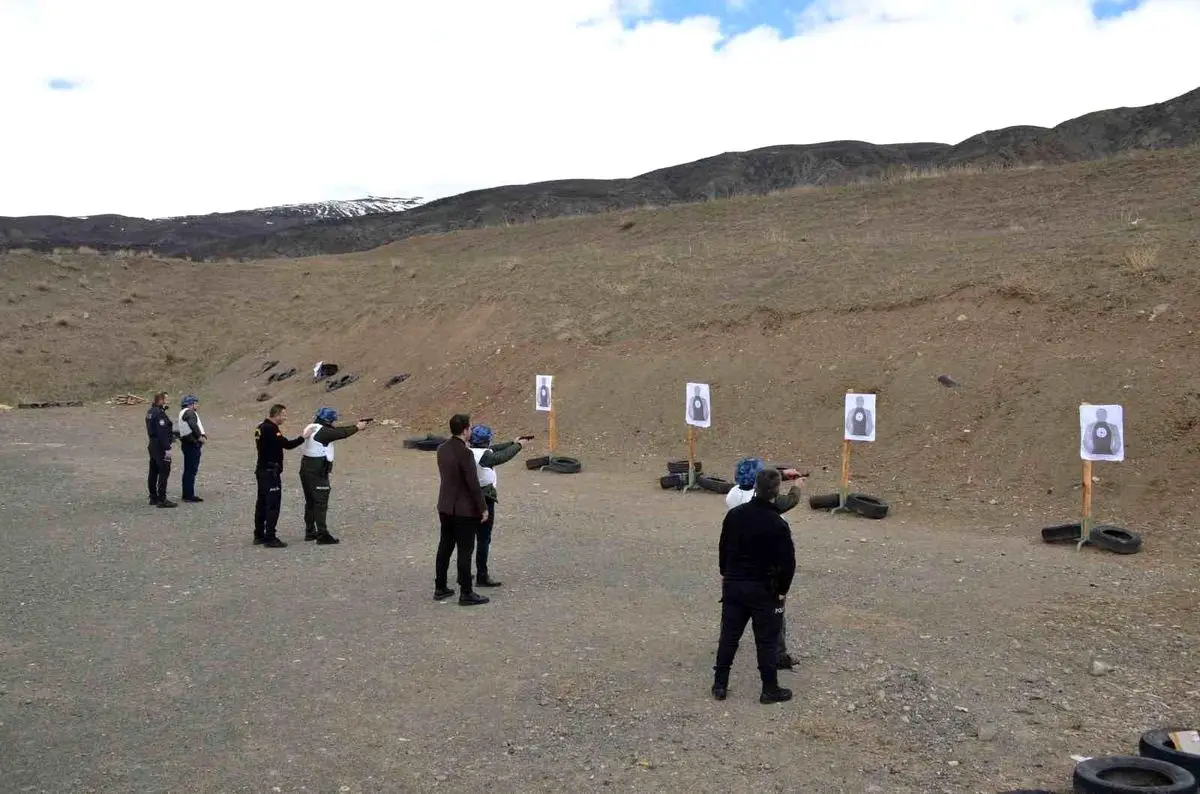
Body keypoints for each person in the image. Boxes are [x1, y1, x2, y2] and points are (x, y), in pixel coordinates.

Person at [712, 467, 796, 705]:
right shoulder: (777, 523)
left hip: (734, 585)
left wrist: (725, 575)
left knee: (728, 638)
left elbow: (723, 548)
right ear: (776, 491)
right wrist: (782, 590)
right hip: (763, 590)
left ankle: (720, 685)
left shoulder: (735, 515)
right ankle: (769, 689)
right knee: (767, 641)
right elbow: (787, 562)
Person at [724, 457, 805, 670]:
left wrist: (782, 474)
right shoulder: (765, 504)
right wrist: (796, 487)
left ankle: (728, 648)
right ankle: (778, 656)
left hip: (740, 566)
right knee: (776, 614)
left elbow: (762, 481)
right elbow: (786, 502)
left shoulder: (733, 494)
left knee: (734, 611)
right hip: (764, 566)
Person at [435, 413, 490, 605]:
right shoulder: (465, 454)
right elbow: (473, 484)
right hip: (463, 510)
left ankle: (440, 586)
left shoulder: (442, 449)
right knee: (465, 551)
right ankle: (466, 592)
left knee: (445, 546)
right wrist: (483, 508)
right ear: (466, 430)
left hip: (445, 505)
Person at [466, 424, 528, 587]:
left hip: (467, 498)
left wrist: (512, 442)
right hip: (484, 499)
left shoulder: (469, 452)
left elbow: (495, 448)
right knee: (483, 539)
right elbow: (503, 456)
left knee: (467, 539)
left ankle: (464, 573)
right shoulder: (485, 456)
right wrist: (518, 446)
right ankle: (482, 576)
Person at [298, 407, 369, 545]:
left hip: (306, 468)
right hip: (317, 471)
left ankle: (310, 531)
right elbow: (341, 433)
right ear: (328, 420)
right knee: (321, 503)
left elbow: (336, 431)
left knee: (311, 502)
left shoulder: (312, 427)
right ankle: (322, 535)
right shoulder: (324, 432)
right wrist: (357, 428)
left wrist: (356, 425)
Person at [253, 403, 306, 548]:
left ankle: (259, 535)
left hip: (262, 470)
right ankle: (270, 537)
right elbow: (287, 444)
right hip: (270, 472)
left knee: (262, 503)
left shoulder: (261, 426)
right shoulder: (270, 428)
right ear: (276, 415)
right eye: (283, 414)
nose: (285, 417)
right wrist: (303, 437)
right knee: (272, 505)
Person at [145, 392, 177, 508]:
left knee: (153, 470)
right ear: (161, 400)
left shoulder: (150, 412)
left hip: (152, 443)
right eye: (166, 399)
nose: (167, 400)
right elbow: (162, 432)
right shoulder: (159, 414)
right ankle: (162, 499)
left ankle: (153, 497)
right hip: (160, 445)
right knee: (164, 471)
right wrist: (167, 447)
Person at [177, 394, 207, 503]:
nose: (197, 405)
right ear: (191, 404)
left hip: (187, 443)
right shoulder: (189, 412)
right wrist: (199, 436)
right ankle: (189, 495)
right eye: (196, 403)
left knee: (188, 470)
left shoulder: (183, 413)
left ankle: (187, 493)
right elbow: (192, 424)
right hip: (191, 443)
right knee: (191, 470)